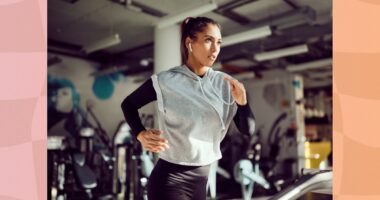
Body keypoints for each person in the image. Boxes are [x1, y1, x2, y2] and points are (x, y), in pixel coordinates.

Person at [121, 16, 256, 200]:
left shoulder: (224, 83)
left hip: (201, 181)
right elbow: (128, 104)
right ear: (189, 43)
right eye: (208, 40)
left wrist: (243, 103)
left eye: (219, 42)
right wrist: (140, 134)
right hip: (169, 180)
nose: (215, 49)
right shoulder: (166, 81)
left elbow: (248, 130)